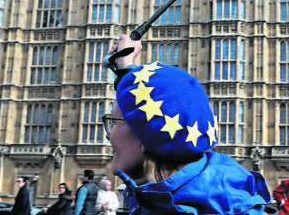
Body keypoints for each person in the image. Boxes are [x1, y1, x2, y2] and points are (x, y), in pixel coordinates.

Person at [105, 35, 271, 215]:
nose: (108, 134)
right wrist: (125, 66)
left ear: (145, 136)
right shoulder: (216, 199)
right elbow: (157, 102)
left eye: (113, 122)